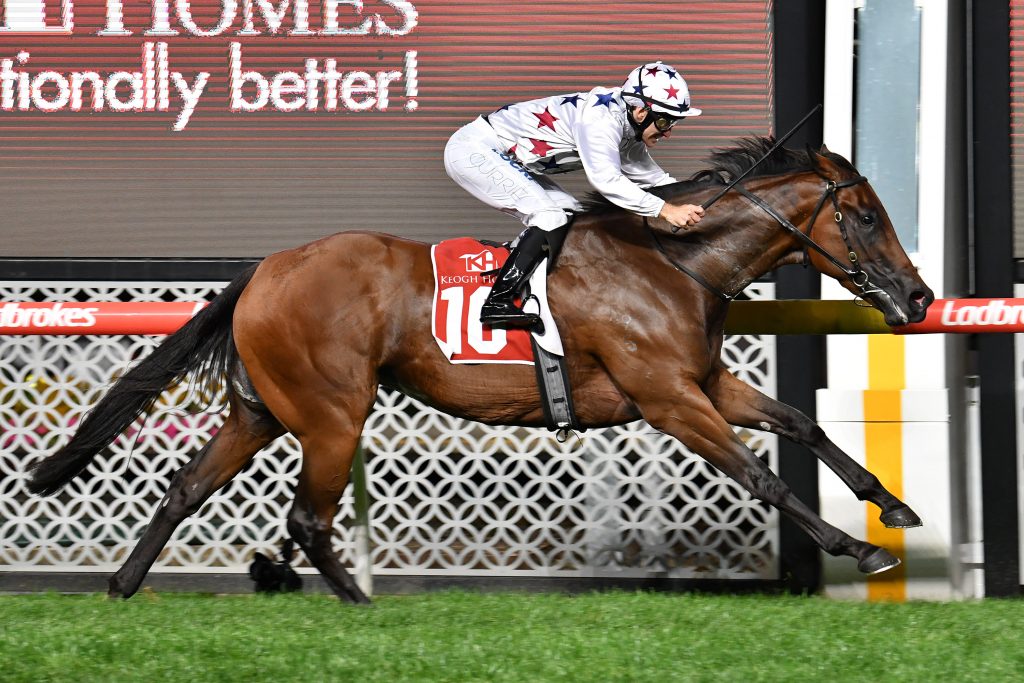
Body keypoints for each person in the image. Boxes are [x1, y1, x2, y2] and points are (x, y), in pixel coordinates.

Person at [443, 61, 705, 328]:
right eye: (664, 121)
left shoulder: (628, 125)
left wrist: (701, 194)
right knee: (549, 216)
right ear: (640, 111)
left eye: (674, 122)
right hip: (474, 149)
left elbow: (655, 180)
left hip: (505, 155)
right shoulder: (601, 120)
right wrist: (666, 210)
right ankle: (497, 303)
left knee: (574, 218)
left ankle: (528, 280)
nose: (668, 132)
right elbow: (607, 181)